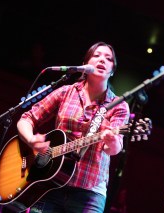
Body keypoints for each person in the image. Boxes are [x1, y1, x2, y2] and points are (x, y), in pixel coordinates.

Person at [16, 41, 130, 212]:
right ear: (85, 65)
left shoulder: (118, 105)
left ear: (112, 70)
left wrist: (112, 140)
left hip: (89, 193)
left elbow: (112, 149)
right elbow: (27, 118)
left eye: (108, 58)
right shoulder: (65, 92)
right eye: (97, 55)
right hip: (49, 185)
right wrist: (32, 140)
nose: (102, 60)